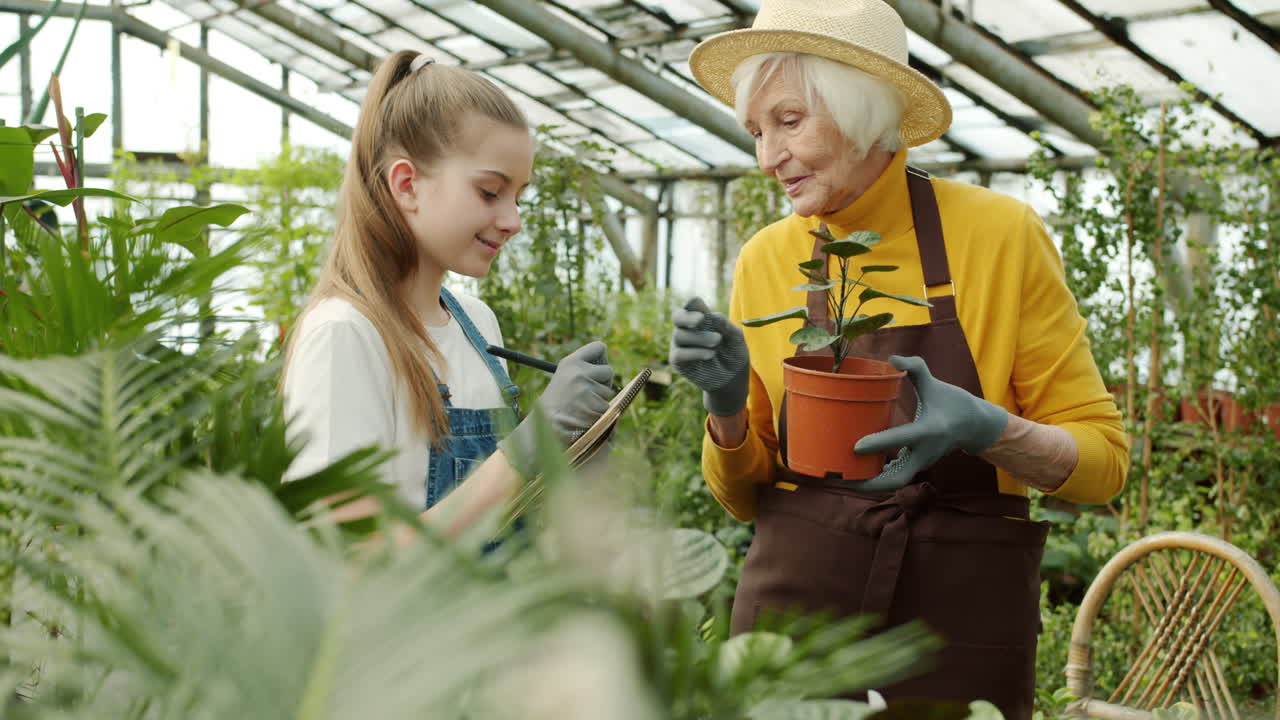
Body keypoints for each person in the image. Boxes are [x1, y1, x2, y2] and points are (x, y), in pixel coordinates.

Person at [667, 1, 1128, 717]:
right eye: (755, 131)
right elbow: (743, 497)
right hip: (796, 621)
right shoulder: (768, 258)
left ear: (863, 108)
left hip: (960, 620)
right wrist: (726, 411)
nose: (765, 157)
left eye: (789, 121)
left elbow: (1104, 464)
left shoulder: (998, 235)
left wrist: (992, 432)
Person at [281, 51, 616, 543]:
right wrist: (527, 447)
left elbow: (498, 511)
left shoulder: (476, 323)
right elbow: (349, 565)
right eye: (489, 192)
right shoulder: (345, 336)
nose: (513, 220)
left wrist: (569, 454)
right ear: (407, 184)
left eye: (518, 196)